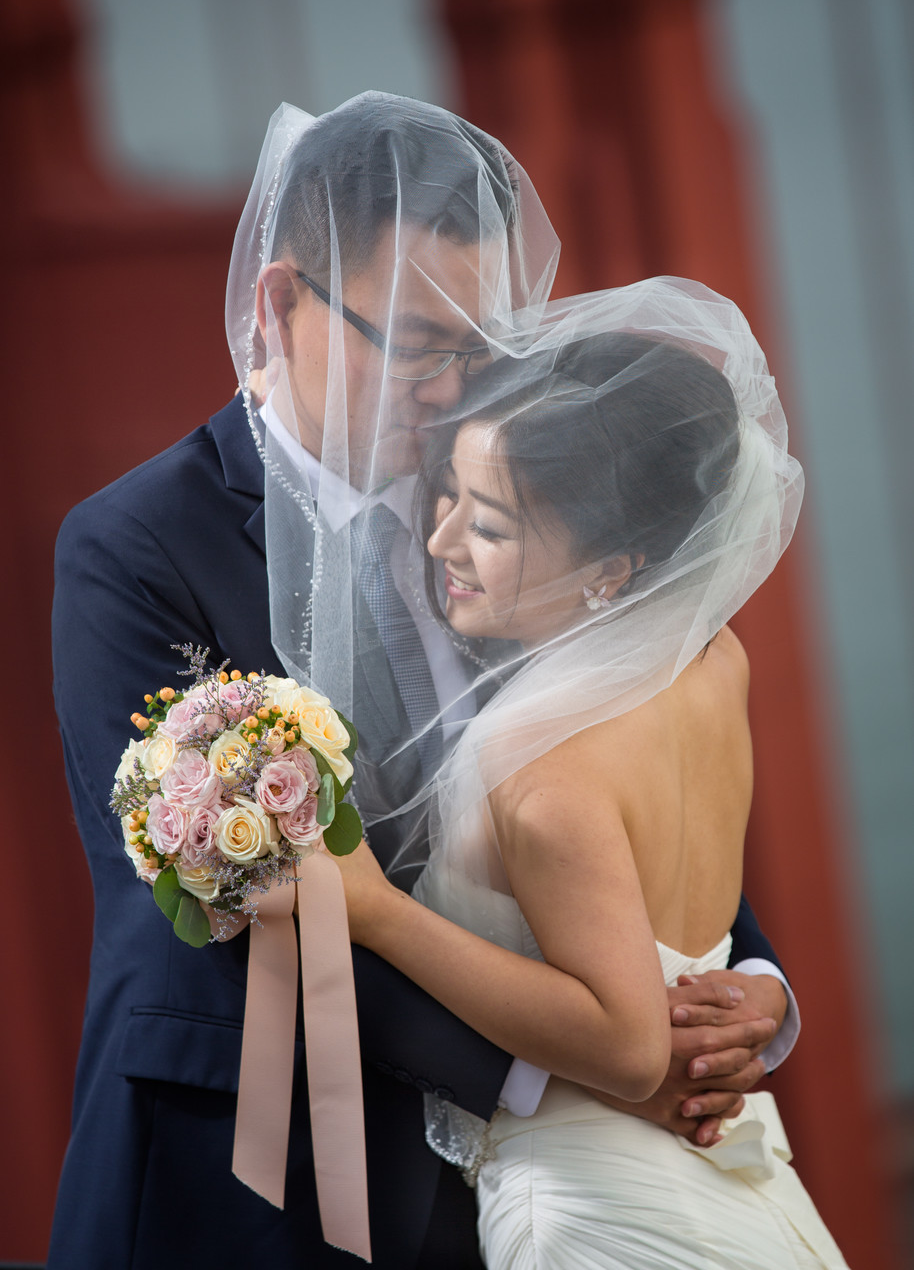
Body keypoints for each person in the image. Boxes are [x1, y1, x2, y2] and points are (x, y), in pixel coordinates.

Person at [51, 95, 793, 1270]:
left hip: (524, 1179)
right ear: (280, 302)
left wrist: (741, 983)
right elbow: (225, 920)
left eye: (477, 345)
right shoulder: (135, 549)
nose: (452, 390)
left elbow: (629, 756)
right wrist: (572, 1074)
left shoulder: (520, 501)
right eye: (415, 342)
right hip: (251, 1179)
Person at [328, 279, 849, 1266]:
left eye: (489, 523)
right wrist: (761, 989)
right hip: (737, 1180)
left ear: (612, 565)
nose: (439, 540)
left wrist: (378, 912)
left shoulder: (543, 774)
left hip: (587, 1208)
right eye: (447, 495)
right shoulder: (712, 657)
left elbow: (622, 1043)